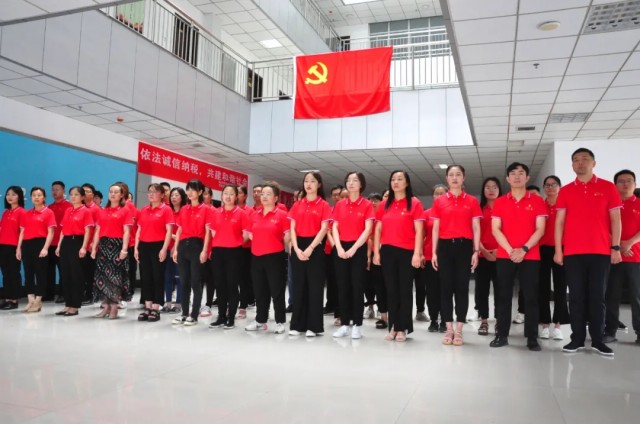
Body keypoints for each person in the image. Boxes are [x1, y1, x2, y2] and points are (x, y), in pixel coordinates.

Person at [555, 148, 622, 357]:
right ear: (572, 165)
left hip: (600, 252)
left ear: (594, 163)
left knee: (597, 297)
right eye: (576, 160)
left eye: (585, 159)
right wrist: (558, 250)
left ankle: (598, 340)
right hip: (573, 252)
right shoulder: (565, 191)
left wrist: (615, 247)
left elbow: (616, 220)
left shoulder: (608, 187)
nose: (580, 163)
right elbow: (559, 222)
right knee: (576, 297)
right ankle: (576, 338)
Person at [489, 163, 547, 351]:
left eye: (521, 173)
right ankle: (501, 334)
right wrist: (510, 251)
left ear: (527, 178)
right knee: (503, 296)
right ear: (507, 178)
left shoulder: (537, 201)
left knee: (531, 297)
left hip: (530, 256)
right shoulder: (500, 202)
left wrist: (523, 249)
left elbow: (540, 229)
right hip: (505, 256)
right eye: (513, 173)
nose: (517, 176)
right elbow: (495, 229)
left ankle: (532, 337)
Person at [431, 165, 481, 346]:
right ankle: (448, 328)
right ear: (447, 179)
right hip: (445, 247)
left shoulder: (472, 201)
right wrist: (434, 252)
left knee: (461, 288)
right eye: (451, 175)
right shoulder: (439, 201)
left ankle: (459, 329)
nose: (454, 178)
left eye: (458, 174)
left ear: (463, 178)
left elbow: (476, 227)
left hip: (464, 247)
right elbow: (435, 228)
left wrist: (476, 251)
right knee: (445, 288)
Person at [373, 171, 424, 342]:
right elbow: (378, 230)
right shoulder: (384, 204)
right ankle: (393, 326)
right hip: (387, 251)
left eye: (400, 179)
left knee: (405, 291)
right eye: (393, 179)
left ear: (407, 183)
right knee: (391, 290)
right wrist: (376, 252)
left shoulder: (414, 203)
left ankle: (402, 327)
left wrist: (417, 253)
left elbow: (419, 231)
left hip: (407, 252)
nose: (395, 182)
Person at [332, 172, 374, 339]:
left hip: (358, 248)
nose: (351, 183)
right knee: (342, 287)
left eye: (355, 180)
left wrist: (354, 248)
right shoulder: (340, 204)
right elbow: (334, 227)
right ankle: (344, 324)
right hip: (341, 248)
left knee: (357, 287)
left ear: (361, 184)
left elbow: (368, 229)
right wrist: (338, 247)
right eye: (348, 180)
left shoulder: (367, 204)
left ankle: (357, 324)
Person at [288, 172, 332, 337]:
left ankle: (314, 326)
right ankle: (297, 324)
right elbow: (292, 228)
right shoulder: (297, 204)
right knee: (298, 286)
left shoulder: (324, 205)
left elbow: (324, 229)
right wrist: (296, 248)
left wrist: (311, 248)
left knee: (315, 288)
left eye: (312, 181)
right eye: (306, 181)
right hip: (298, 247)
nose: (308, 184)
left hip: (316, 247)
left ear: (319, 185)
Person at [245, 183, 290, 334]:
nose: (264, 196)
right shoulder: (254, 214)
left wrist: (276, 244)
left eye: (268, 194)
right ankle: (260, 320)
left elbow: (287, 236)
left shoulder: (281, 215)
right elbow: (250, 234)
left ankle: (280, 321)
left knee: (277, 290)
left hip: (275, 257)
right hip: (257, 256)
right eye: (262, 194)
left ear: (276, 198)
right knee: (260, 290)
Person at [603, 170, 640, 344]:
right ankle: (610, 331)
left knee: (637, 296)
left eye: (629, 181)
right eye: (621, 181)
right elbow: (603, 227)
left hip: (636, 258)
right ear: (615, 185)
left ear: (635, 184)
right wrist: (617, 245)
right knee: (612, 296)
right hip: (613, 256)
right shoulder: (609, 205)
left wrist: (629, 243)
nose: (625, 184)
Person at [208, 184, 250, 330]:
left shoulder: (242, 213)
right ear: (221, 196)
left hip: (234, 253)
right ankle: (221, 316)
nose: (228, 196)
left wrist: (234, 242)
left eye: (231, 194)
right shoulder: (215, 212)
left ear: (236, 197)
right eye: (225, 193)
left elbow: (245, 235)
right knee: (220, 285)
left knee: (232, 285)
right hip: (218, 252)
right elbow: (213, 232)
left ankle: (231, 317)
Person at [171, 180, 211, 326]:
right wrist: (176, 249)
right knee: (184, 282)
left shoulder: (206, 209)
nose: (190, 192)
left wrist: (205, 250)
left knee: (195, 282)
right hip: (183, 246)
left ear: (200, 192)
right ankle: (184, 313)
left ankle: (194, 315)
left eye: (193, 189)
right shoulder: (184, 209)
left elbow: (207, 232)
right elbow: (179, 230)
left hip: (197, 246)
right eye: (188, 189)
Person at [91, 183, 133, 319]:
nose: (113, 194)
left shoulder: (125, 210)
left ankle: (114, 307)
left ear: (121, 195)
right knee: (103, 277)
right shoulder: (103, 211)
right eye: (111, 192)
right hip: (104, 245)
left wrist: (124, 249)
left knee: (115, 278)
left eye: (116, 192)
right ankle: (106, 307)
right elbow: (98, 230)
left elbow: (126, 232)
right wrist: (94, 247)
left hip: (117, 245)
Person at [134, 183, 175, 322]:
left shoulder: (166, 210)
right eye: (149, 191)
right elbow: (139, 230)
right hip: (144, 245)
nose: (151, 194)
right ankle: (147, 307)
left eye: (155, 191)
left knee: (158, 277)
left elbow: (169, 231)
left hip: (158, 245)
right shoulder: (144, 209)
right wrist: (136, 247)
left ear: (162, 195)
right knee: (145, 277)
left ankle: (156, 308)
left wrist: (164, 248)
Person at [54, 186, 93, 316]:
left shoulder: (86, 211)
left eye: (76, 194)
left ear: (82, 197)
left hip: (78, 242)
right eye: (71, 194)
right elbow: (63, 230)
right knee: (65, 275)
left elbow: (87, 231)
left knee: (76, 275)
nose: (73, 197)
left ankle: (75, 306)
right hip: (66, 242)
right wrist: (59, 246)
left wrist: (84, 247)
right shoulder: (68, 210)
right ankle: (67, 304)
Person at [539, 175, 568, 340]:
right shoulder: (539, 205)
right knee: (542, 287)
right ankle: (544, 323)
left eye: (554, 184)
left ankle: (558, 324)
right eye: (547, 185)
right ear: (544, 188)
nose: (550, 187)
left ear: (559, 187)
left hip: (562, 249)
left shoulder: (564, 206)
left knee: (560, 287)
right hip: (542, 250)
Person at [17, 187, 56, 313]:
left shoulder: (48, 212)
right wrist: (18, 248)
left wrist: (45, 248)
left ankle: (38, 301)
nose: (36, 197)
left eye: (39, 195)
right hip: (27, 244)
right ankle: (30, 300)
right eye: (34, 195)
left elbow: (51, 232)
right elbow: (22, 231)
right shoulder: (27, 213)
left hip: (40, 244)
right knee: (28, 273)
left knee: (40, 273)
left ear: (44, 197)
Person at [475, 178, 501, 336]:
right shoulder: (478, 209)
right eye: (487, 187)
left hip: (501, 255)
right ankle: (484, 321)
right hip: (482, 255)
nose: (491, 190)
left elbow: (509, 231)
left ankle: (499, 321)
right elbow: (474, 232)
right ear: (483, 190)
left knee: (500, 290)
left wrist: (499, 250)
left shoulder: (505, 207)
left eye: (494, 187)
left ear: (499, 190)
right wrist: (483, 250)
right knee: (482, 290)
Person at [421, 184, 447, 333]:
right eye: (436, 193)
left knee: (446, 289)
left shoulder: (450, 212)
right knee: (431, 290)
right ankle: (433, 319)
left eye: (442, 193)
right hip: (429, 256)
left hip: (447, 256)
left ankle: (445, 319)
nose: (439, 196)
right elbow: (421, 235)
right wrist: (420, 253)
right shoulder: (427, 214)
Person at [0, 186, 26, 310]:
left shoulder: (21, 212)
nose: (10, 197)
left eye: (14, 194)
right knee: (5, 273)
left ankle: (14, 300)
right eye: (8, 194)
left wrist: (19, 248)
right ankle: (7, 298)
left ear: (19, 197)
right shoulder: (6, 212)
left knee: (13, 272)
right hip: (2, 246)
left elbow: (22, 231)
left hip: (14, 247)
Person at [47, 181, 72, 303]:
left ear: (63, 191)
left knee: (63, 270)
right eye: (53, 189)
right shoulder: (49, 207)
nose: (54, 192)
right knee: (48, 270)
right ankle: (48, 294)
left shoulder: (69, 207)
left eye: (57, 189)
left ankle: (63, 293)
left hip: (62, 243)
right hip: (49, 243)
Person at [162, 187, 186, 313]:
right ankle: (167, 302)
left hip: (180, 249)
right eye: (172, 195)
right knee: (167, 277)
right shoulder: (167, 211)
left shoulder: (185, 212)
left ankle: (179, 303)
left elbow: (185, 233)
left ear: (182, 197)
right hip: (167, 248)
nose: (173, 197)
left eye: (177, 195)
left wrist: (171, 236)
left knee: (179, 277)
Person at [324, 185, 343, 324]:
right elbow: (327, 230)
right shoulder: (330, 210)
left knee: (341, 281)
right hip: (330, 250)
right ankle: (331, 305)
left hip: (346, 250)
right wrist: (334, 246)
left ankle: (342, 310)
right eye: (334, 195)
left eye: (339, 195)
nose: (337, 197)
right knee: (331, 281)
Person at [236, 185, 255, 319]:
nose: (236, 195)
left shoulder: (249, 211)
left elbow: (249, 231)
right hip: (231, 249)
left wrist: (238, 242)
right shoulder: (226, 209)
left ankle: (243, 305)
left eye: (239, 193)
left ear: (245, 196)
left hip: (245, 249)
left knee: (244, 278)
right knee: (232, 278)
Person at [81, 183, 101, 304]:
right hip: (80, 244)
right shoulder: (79, 208)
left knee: (90, 271)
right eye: (83, 191)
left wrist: (94, 243)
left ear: (93, 195)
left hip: (91, 245)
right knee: (81, 271)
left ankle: (90, 295)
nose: (84, 193)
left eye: (87, 191)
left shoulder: (96, 209)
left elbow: (98, 228)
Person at [200, 186, 216, 317]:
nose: (203, 196)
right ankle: (197, 303)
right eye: (202, 194)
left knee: (210, 278)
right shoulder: (197, 209)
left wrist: (211, 249)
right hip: (197, 248)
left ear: (211, 196)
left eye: (206, 194)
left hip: (210, 249)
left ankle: (208, 304)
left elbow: (214, 233)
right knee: (198, 278)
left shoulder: (214, 211)